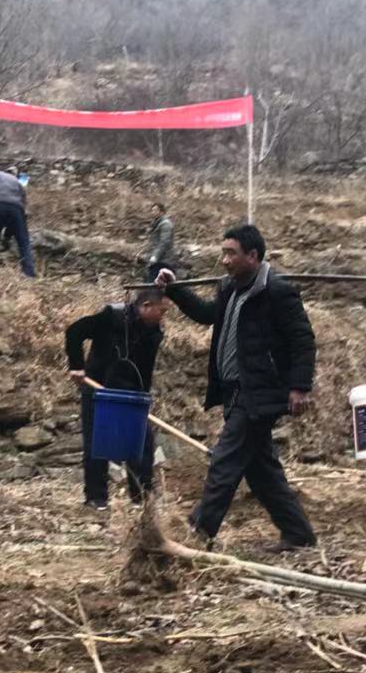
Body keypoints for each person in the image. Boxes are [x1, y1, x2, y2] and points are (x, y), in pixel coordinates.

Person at [156, 224, 317, 551]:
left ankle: (198, 532)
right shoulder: (229, 288)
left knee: (225, 461)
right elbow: (206, 314)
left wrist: (299, 387)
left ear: (253, 256)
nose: (224, 260)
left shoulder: (276, 292)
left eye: (231, 254)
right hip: (233, 391)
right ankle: (298, 534)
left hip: (259, 391)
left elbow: (302, 340)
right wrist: (174, 289)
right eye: (223, 253)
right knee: (261, 471)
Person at [65, 290, 171, 510]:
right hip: (99, 388)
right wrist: (76, 365)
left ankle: (141, 498)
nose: (163, 316)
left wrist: (143, 397)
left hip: (131, 393)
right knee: (96, 444)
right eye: (161, 311)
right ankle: (96, 499)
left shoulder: (154, 331)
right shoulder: (112, 316)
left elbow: (146, 368)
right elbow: (75, 331)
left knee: (142, 444)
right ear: (146, 306)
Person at [140, 200, 175, 282]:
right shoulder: (156, 224)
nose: (153, 212)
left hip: (163, 260)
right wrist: (145, 255)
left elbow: (164, 242)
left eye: (155, 210)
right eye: (152, 210)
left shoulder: (165, 224)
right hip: (157, 260)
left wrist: (155, 256)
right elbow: (152, 243)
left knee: (153, 283)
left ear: (162, 212)